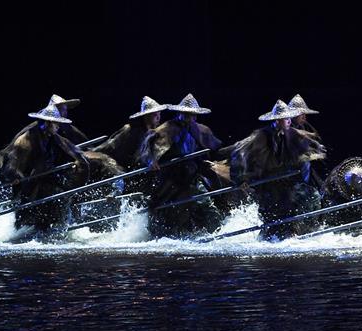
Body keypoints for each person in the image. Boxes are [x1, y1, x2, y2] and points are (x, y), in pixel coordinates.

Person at [230, 99, 326, 240]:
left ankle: (303, 232)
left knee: (306, 200)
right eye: (286, 118)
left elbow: (307, 143)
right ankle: (265, 240)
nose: (289, 121)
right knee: (271, 218)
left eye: (289, 118)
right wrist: (241, 179)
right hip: (268, 184)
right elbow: (239, 152)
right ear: (278, 120)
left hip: (285, 184)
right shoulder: (261, 136)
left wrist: (316, 148)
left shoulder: (290, 133)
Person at [138, 94, 224, 238]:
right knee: (157, 205)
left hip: (193, 176)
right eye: (186, 114)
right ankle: (154, 234)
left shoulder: (200, 129)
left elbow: (215, 150)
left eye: (192, 115)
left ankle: (214, 235)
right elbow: (148, 148)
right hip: (172, 176)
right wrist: (151, 161)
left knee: (209, 207)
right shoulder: (167, 129)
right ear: (180, 113)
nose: (189, 118)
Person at [0, 103, 90, 236]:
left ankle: (52, 229)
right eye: (55, 123)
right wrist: (15, 177)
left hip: (45, 180)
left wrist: (75, 161)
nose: (58, 126)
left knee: (56, 194)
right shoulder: (25, 140)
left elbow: (74, 151)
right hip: (27, 184)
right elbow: (11, 165)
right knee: (28, 218)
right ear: (47, 123)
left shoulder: (53, 137)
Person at [0, 94, 87, 173]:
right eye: (62, 109)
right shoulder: (35, 129)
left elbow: (76, 140)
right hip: (27, 166)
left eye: (65, 109)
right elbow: (15, 146)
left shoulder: (65, 127)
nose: (65, 112)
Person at [93, 96, 168, 169]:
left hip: (121, 165)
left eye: (159, 114)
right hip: (111, 162)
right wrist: (149, 161)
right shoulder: (133, 130)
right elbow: (114, 150)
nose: (158, 118)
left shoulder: (149, 132)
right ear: (146, 115)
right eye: (155, 115)